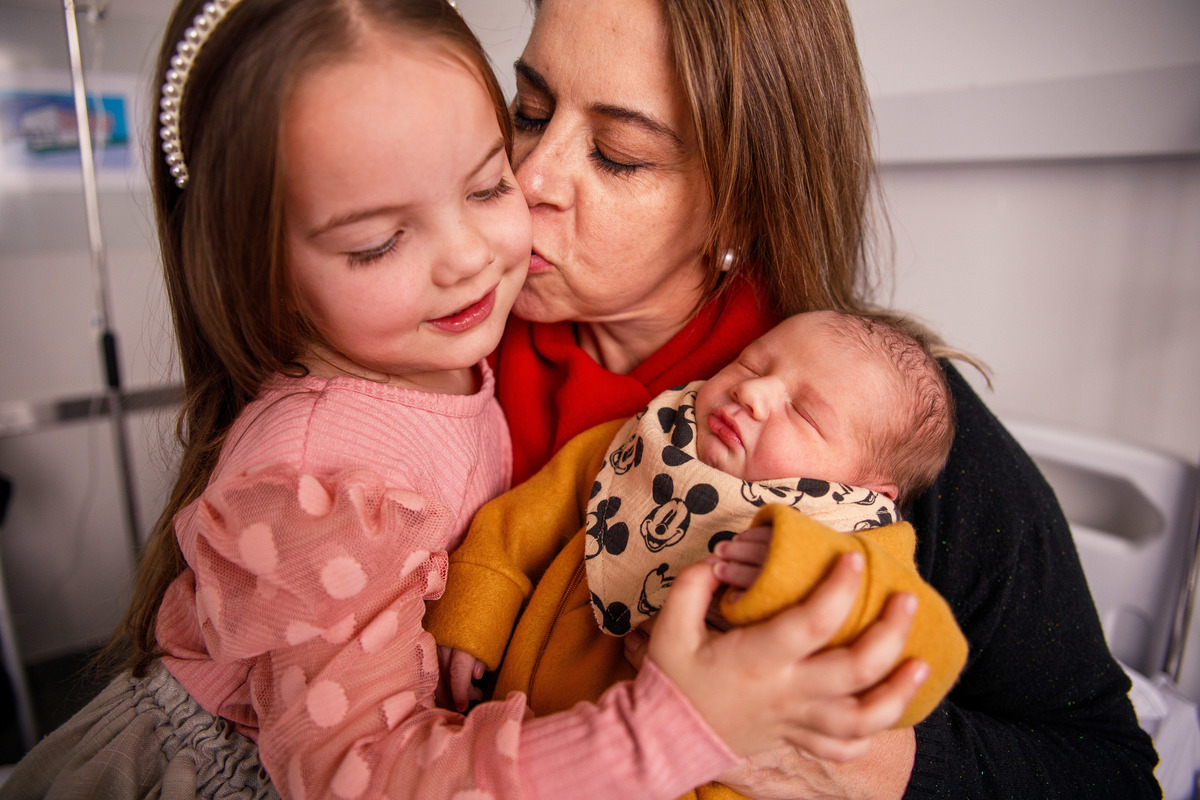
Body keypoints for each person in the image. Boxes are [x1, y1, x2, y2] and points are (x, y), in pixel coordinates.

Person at [0, 2, 926, 799]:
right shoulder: (322, 467)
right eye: (527, 114)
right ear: (259, 271)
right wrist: (668, 727)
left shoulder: (860, 401)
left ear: (739, 203)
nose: (484, 239)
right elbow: (364, 771)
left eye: (485, 183)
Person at [484, 0, 1162, 797]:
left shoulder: (880, 426)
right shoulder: (426, 342)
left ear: (744, 197)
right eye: (528, 111)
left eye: (619, 153)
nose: (525, 179)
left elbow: (1108, 771)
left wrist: (861, 760)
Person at [430, 310, 969, 752]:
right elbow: (523, 521)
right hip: (516, 734)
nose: (754, 394)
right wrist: (480, 606)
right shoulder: (648, 437)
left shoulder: (858, 540)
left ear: (869, 490)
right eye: (752, 364)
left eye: (803, 413)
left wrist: (798, 566)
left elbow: (919, 656)